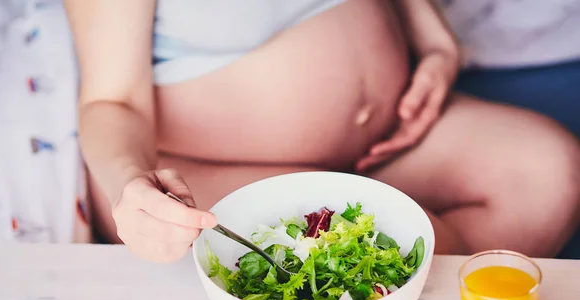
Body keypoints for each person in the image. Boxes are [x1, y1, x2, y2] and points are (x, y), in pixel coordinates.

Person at [63, 0, 580, 264]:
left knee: (546, 175)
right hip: (212, 168)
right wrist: (131, 183)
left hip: (389, 137)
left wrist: (432, 36)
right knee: (400, 240)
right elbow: (113, 100)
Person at [436, 0, 580, 259]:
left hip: (402, 113)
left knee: (545, 170)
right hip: (341, 157)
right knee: (392, 228)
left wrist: (425, 28)